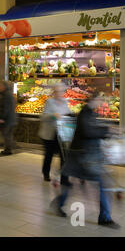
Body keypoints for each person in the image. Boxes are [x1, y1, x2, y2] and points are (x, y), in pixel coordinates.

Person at [51, 92, 119, 229]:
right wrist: (107, 131)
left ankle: (58, 204)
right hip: (84, 157)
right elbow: (88, 132)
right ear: (93, 99)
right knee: (103, 184)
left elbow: (92, 130)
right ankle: (104, 218)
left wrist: (107, 131)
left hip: (82, 156)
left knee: (72, 184)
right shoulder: (85, 113)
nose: (101, 102)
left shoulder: (90, 113)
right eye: (100, 99)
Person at [39, 83, 71, 185]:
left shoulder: (65, 102)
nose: (59, 93)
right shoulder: (49, 102)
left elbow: (68, 114)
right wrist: (53, 116)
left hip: (61, 133)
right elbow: (43, 117)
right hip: (49, 134)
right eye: (57, 91)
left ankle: (64, 179)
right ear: (54, 92)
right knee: (49, 155)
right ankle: (46, 173)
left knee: (64, 156)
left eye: (61, 91)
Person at [0, 81, 17, 155]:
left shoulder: (6, 95)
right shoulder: (9, 94)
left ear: (4, 86)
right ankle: (8, 148)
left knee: (7, 135)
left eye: (0, 86)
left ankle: (8, 150)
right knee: (8, 135)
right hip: (11, 118)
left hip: (8, 119)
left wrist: (2, 117)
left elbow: (6, 107)